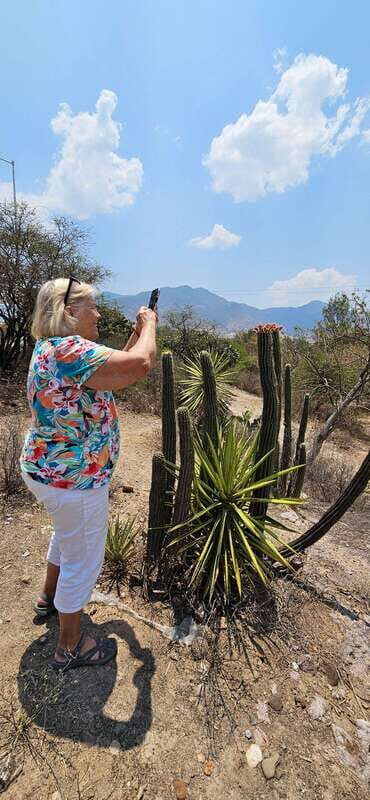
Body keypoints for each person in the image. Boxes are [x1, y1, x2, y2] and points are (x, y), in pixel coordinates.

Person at [20, 276, 157, 671]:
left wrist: (133, 337)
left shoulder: (55, 349)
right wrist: (149, 325)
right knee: (84, 558)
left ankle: (48, 598)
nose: (97, 313)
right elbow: (142, 365)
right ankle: (69, 645)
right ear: (68, 313)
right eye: (91, 307)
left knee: (68, 537)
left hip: (50, 470)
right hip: (73, 478)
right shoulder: (69, 349)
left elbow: (116, 374)